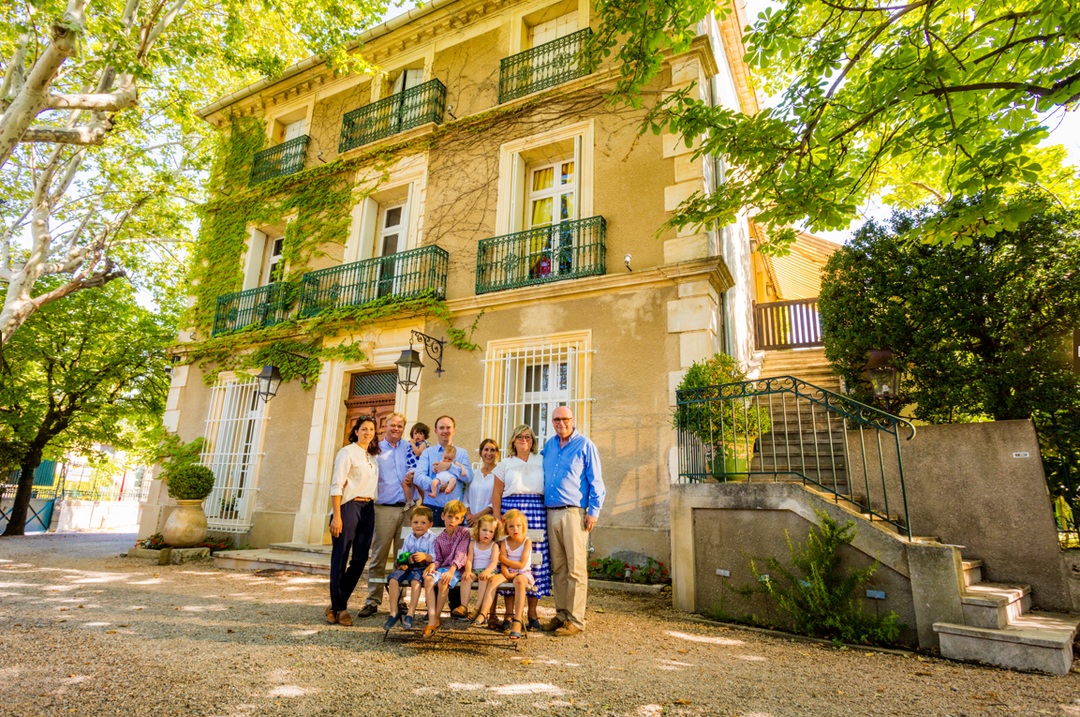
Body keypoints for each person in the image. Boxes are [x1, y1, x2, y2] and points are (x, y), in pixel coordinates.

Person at [542, 406, 604, 637]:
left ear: (573, 420)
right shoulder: (549, 446)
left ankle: (576, 620)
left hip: (574, 513)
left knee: (576, 568)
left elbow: (596, 480)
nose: (561, 423)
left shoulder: (586, 445)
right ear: (552, 421)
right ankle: (561, 614)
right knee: (558, 568)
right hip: (550, 512)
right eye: (556, 419)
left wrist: (594, 511)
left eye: (565, 419)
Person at [491, 424, 550, 631]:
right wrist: (498, 519)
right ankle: (509, 615)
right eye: (519, 437)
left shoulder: (541, 460)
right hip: (510, 510)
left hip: (536, 512)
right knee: (509, 560)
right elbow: (496, 493)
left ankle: (532, 614)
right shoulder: (505, 464)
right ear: (513, 441)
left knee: (535, 562)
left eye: (528, 437)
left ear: (533, 440)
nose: (524, 440)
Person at [357, 412, 413, 618]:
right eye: (392, 425)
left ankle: (400, 600)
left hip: (407, 510)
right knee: (379, 555)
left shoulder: (409, 447)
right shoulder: (375, 448)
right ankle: (373, 600)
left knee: (404, 556)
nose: (396, 428)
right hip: (383, 509)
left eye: (400, 425)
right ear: (385, 427)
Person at [326, 414, 379, 627]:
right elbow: (336, 484)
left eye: (371, 430)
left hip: (368, 508)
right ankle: (340, 607)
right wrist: (337, 516)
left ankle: (335, 604)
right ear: (356, 431)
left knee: (360, 558)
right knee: (340, 557)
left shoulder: (373, 456)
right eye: (364, 429)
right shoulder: (347, 452)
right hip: (349, 507)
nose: (367, 432)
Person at [421, 500, 471, 637]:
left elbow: (462, 553)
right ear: (442, 516)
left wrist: (451, 570)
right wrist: (432, 565)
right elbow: (439, 560)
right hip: (444, 568)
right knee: (428, 579)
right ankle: (432, 615)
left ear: (461, 520)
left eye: (456, 518)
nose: (452, 521)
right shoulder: (439, 538)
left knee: (444, 582)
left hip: (457, 569)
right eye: (449, 516)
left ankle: (435, 619)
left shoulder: (464, 533)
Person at [383, 505, 436, 631]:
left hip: (422, 568)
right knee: (393, 580)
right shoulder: (409, 537)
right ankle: (393, 612)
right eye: (416, 522)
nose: (419, 525)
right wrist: (403, 563)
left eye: (423, 523)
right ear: (411, 523)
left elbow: (435, 557)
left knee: (415, 582)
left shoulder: (432, 538)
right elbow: (403, 554)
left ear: (430, 525)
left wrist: (425, 556)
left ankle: (410, 614)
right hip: (408, 567)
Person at [413, 416, 473, 526]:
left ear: (454, 430)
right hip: (432, 509)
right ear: (436, 431)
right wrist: (438, 487)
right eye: (441, 428)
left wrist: (450, 466)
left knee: (455, 543)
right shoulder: (428, 452)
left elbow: (468, 476)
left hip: (455, 511)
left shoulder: (462, 453)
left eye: (448, 428)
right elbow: (418, 477)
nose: (445, 431)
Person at [496, 509, 534, 641]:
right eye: (511, 526)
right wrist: (506, 573)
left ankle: (517, 620)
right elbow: (504, 569)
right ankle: (482, 613)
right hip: (509, 573)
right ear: (506, 528)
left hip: (523, 573)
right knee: (493, 580)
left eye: (518, 526)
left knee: (519, 582)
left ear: (523, 527)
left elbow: (521, 565)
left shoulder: (526, 541)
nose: (515, 529)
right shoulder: (504, 542)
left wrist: (503, 560)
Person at [461, 513, 502, 624]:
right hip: (474, 570)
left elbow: (494, 562)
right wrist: (468, 571)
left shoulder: (494, 546)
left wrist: (487, 571)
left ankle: (477, 609)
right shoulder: (472, 544)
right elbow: (469, 560)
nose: (487, 534)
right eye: (484, 530)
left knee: (483, 579)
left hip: (488, 571)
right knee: (466, 579)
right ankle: (463, 607)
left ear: (494, 534)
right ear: (478, 530)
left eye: (491, 531)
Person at [465, 439, 499, 527]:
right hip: (470, 523)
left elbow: (497, 501)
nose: (489, 453)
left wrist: (477, 517)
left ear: (497, 453)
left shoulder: (500, 475)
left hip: (488, 523)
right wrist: (469, 516)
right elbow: (465, 498)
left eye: (492, 450)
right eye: (486, 449)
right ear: (481, 453)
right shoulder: (474, 473)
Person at [402, 422, 430, 506]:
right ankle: (409, 500)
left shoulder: (423, 444)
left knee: (418, 484)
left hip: (418, 467)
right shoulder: (412, 444)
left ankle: (426, 500)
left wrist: (413, 444)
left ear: (425, 436)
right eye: (415, 433)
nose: (417, 436)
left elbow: (418, 453)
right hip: (411, 468)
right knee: (405, 483)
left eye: (420, 433)